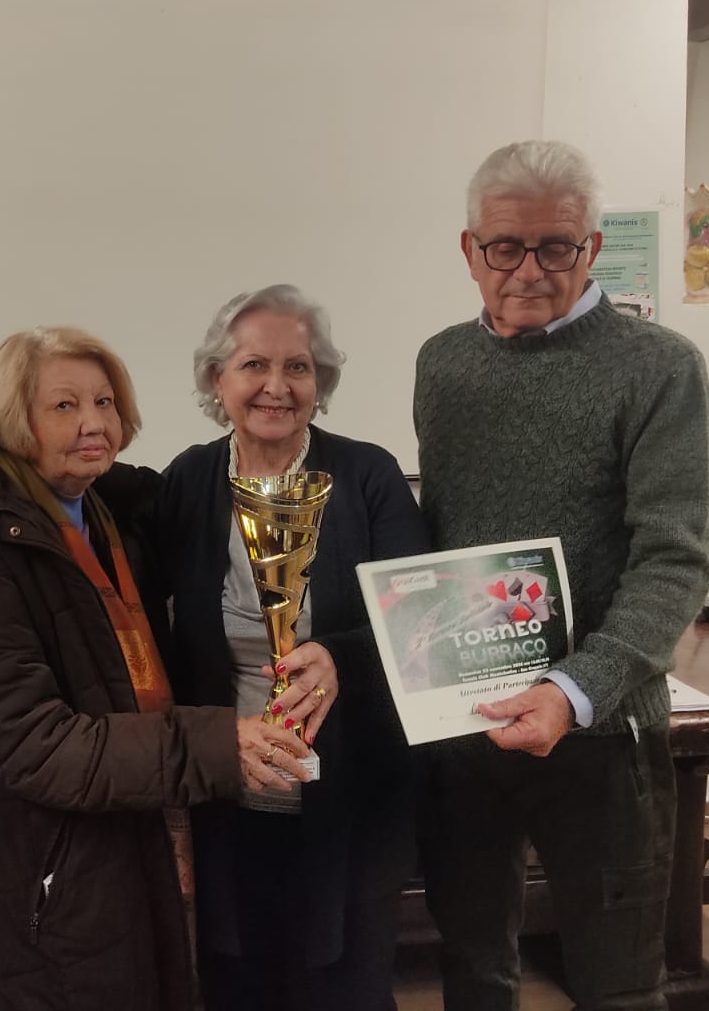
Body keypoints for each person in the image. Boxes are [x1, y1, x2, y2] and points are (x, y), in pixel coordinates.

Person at [0, 327, 309, 1010]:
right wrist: (216, 743)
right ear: (11, 419)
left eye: (105, 402)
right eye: (64, 406)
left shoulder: (105, 514)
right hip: (19, 888)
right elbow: (36, 744)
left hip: (111, 855)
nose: (94, 423)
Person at [413, 141, 709, 1010]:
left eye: (557, 247)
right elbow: (444, 535)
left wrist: (574, 691)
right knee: (473, 965)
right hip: (466, 724)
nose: (529, 270)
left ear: (592, 248)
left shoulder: (659, 366)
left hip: (602, 731)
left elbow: (675, 558)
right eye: (506, 247)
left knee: (620, 983)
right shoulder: (442, 362)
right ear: (470, 250)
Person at [159, 284, 432, 1011]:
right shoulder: (188, 480)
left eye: (298, 367)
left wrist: (342, 657)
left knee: (346, 989)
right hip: (229, 794)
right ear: (217, 379)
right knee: (238, 982)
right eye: (254, 365)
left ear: (321, 382)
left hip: (352, 794)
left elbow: (421, 617)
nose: (276, 386)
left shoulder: (368, 475)